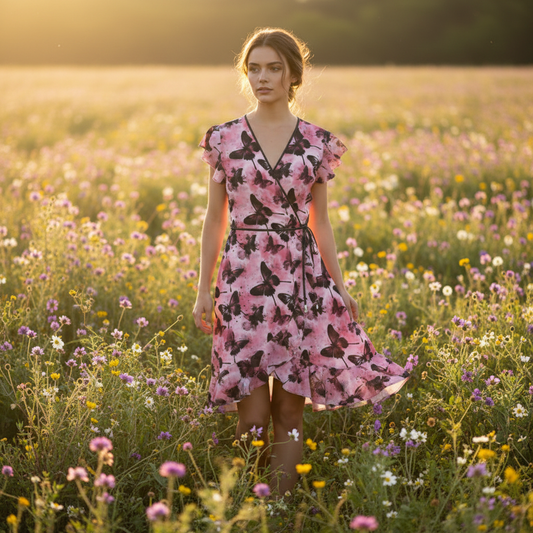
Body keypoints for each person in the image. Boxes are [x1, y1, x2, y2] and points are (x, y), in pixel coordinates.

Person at [192, 27, 409, 495]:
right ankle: (254, 506)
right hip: (241, 281)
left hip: (301, 282)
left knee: (289, 410)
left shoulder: (316, 143)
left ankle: (280, 508)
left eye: (273, 68)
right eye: (254, 68)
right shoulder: (223, 138)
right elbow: (214, 221)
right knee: (250, 412)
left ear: (293, 75)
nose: (262, 77)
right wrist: (203, 288)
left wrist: (340, 285)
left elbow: (322, 223)